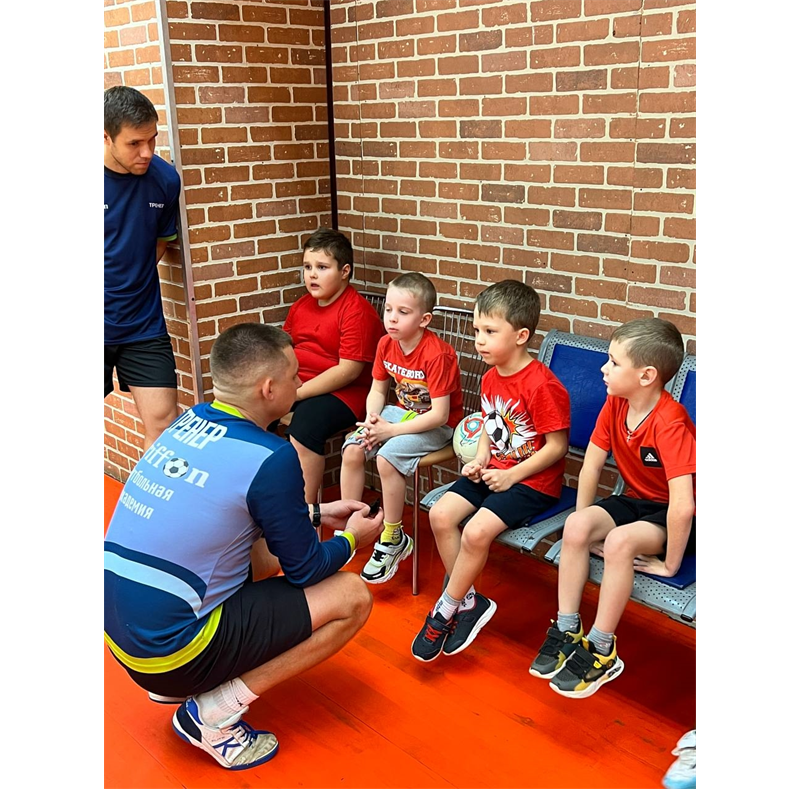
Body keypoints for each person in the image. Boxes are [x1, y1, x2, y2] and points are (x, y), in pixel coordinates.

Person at [103, 323, 384, 771]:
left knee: (258, 553)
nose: (299, 382)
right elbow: (307, 569)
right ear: (268, 389)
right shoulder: (272, 455)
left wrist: (315, 513)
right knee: (351, 596)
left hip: (123, 637)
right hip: (171, 653)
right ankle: (212, 714)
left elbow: (227, 511)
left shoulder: (187, 422)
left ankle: (182, 681)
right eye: (294, 376)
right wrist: (352, 539)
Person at [530, 318, 696, 699]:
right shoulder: (616, 402)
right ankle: (567, 628)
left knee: (620, 542)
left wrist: (670, 564)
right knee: (575, 527)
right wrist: (583, 524)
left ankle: (602, 649)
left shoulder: (670, 422)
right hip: (635, 500)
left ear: (646, 375)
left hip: (674, 514)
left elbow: (683, 506)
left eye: (614, 362)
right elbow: (591, 466)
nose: (604, 368)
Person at [411, 280, 570, 661]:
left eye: (490, 332)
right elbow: (489, 423)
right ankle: (469, 602)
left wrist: (513, 475)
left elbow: (557, 447)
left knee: (476, 531)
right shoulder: (490, 376)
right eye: (477, 330)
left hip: (532, 483)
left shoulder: (543, 385)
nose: (479, 341)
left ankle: (445, 609)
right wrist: (480, 458)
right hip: (494, 471)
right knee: (440, 515)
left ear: (521, 336)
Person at [340, 272, 464, 584]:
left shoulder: (437, 354)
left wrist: (389, 432)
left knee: (386, 458)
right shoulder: (386, 344)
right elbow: (378, 390)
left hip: (437, 426)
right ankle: (352, 526)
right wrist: (373, 419)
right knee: (353, 449)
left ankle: (393, 536)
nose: (392, 318)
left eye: (403, 312)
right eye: (388, 309)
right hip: (397, 415)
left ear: (424, 320)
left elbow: (440, 415)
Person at [104, 85, 183, 450]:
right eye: (134, 143)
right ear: (106, 137)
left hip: (142, 323)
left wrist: (131, 279)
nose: (147, 152)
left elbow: (161, 240)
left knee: (165, 425)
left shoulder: (165, 180)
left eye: (152, 139)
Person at [281, 228, 384, 502]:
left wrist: (296, 394)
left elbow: (348, 371)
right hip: (302, 385)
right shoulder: (301, 305)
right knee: (253, 408)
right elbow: (283, 350)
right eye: (307, 267)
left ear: (344, 271)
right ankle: (268, 499)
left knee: (306, 424)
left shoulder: (356, 311)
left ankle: (304, 510)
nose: (312, 275)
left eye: (322, 267)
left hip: (346, 393)